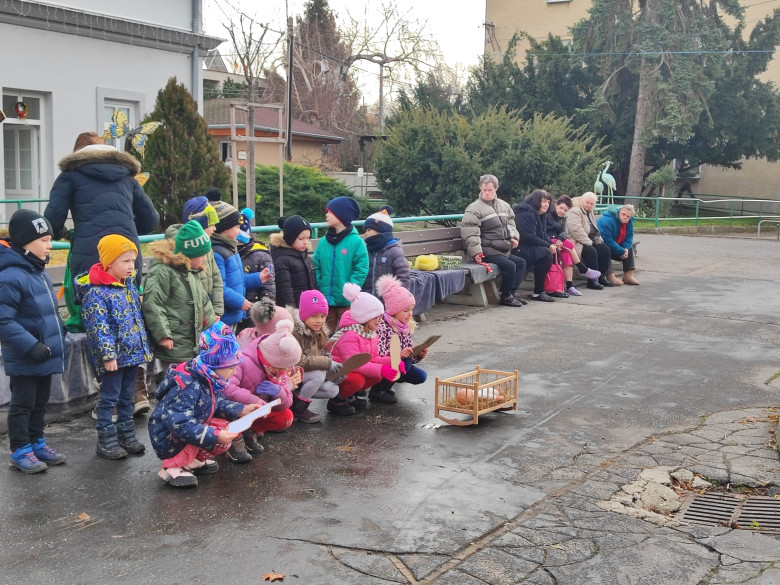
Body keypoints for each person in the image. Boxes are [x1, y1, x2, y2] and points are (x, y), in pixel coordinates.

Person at [44, 132, 159, 331]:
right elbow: (151, 220)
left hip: (90, 257)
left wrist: (67, 232)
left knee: (93, 324)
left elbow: (51, 223)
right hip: (127, 255)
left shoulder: (70, 175)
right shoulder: (127, 176)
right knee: (126, 321)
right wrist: (125, 230)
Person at [148, 321, 261, 488]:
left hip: (186, 427)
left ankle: (191, 461)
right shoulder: (188, 385)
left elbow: (216, 402)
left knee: (222, 427)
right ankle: (171, 467)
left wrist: (240, 409)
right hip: (167, 437)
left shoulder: (209, 377)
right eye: (230, 367)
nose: (234, 372)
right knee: (217, 434)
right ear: (215, 364)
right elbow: (180, 424)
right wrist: (214, 435)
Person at [0, 210, 67, 473]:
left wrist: (59, 332)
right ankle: (20, 450)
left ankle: (37, 442)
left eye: (50, 239)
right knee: (23, 405)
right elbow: (4, 321)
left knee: (40, 404)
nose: (49, 246)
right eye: (43, 240)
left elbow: (47, 309)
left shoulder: (36, 270)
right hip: (27, 355)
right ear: (25, 242)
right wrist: (31, 346)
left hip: (45, 353)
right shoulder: (10, 275)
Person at [78, 235, 152, 460]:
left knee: (126, 395)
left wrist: (142, 346)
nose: (131, 267)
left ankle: (125, 434)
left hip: (131, 354)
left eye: (133, 261)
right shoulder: (96, 293)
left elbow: (136, 319)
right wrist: (108, 355)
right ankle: (106, 439)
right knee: (109, 397)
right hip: (113, 358)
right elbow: (99, 327)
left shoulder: (127, 285)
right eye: (125, 261)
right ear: (109, 263)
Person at [142, 220, 217, 378]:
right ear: (189, 254)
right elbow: (153, 303)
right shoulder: (163, 271)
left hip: (191, 343)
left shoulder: (191, 272)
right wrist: (163, 335)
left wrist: (213, 327)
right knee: (175, 381)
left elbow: (203, 303)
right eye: (201, 255)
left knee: (189, 381)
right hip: (174, 343)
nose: (204, 259)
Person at [223, 320, 300, 462]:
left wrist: (279, 392)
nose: (284, 371)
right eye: (281, 367)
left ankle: (249, 430)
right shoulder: (242, 361)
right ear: (269, 358)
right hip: (236, 408)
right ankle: (232, 440)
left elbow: (287, 401)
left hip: (258, 410)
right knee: (230, 412)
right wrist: (254, 400)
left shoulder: (279, 369)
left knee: (286, 416)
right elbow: (228, 389)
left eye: (286, 367)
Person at [327, 282, 401, 416]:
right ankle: (337, 400)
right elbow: (354, 364)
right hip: (339, 373)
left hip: (351, 370)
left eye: (380, 316)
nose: (380, 320)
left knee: (376, 376)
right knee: (357, 380)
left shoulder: (370, 333)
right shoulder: (350, 335)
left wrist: (393, 361)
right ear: (364, 316)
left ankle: (351, 395)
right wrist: (381, 369)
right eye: (376, 316)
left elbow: (374, 358)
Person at [460, 174, 526, 307]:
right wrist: (476, 253)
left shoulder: (504, 205)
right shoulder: (474, 209)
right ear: (480, 188)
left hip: (502, 249)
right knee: (510, 266)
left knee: (521, 263)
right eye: (484, 190)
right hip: (486, 251)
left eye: (490, 190)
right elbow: (470, 233)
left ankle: (512, 292)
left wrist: (513, 237)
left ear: (496, 189)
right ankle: (505, 296)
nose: (487, 193)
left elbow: (511, 223)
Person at [209, 201, 272, 328]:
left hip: (234, 315)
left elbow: (239, 279)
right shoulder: (218, 253)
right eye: (237, 227)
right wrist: (240, 302)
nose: (239, 231)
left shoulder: (231, 248)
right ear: (225, 228)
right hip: (225, 318)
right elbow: (219, 287)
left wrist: (257, 278)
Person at [312, 196, 369, 332]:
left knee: (348, 333)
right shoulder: (324, 242)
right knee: (324, 334)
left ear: (341, 215)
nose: (326, 215)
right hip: (326, 300)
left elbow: (361, 268)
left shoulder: (356, 242)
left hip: (346, 302)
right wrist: (320, 283)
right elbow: (316, 265)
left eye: (330, 212)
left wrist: (351, 289)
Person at [371, 275, 427, 404]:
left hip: (400, 363)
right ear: (394, 310)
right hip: (382, 364)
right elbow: (379, 353)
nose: (410, 314)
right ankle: (378, 390)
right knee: (405, 362)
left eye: (411, 310)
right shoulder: (383, 326)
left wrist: (418, 355)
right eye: (406, 310)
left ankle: (387, 386)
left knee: (420, 376)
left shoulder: (405, 326)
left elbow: (409, 352)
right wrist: (399, 355)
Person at [290, 290, 342, 423]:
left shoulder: (319, 331)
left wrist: (333, 374)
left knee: (333, 390)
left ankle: (296, 399)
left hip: (306, 376)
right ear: (304, 315)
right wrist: (326, 363)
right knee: (318, 374)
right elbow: (298, 361)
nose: (319, 321)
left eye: (323, 316)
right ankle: (299, 409)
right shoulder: (296, 333)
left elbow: (321, 355)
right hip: (292, 375)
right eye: (314, 316)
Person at [544, 195, 601, 296]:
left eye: (565, 210)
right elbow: (543, 232)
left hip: (557, 242)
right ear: (556, 205)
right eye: (561, 208)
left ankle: (570, 286)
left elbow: (563, 232)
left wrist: (560, 239)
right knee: (568, 243)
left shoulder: (562, 218)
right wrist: (557, 240)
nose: (562, 211)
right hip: (546, 241)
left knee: (566, 255)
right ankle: (582, 268)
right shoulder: (547, 214)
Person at [513, 189, 558, 302]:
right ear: (535, 201)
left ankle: (549, 289)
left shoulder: (539, 214)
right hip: (517, 248)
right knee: (546, 253)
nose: (546, 204)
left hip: (527, 246)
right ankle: (539, 292)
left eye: (548, 202)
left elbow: (542, 235)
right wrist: (548, 246)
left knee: (553, 251)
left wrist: (551, 244)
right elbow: (527, 237)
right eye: (543, 201)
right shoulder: (525, 213)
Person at [565, 192, 615, 290]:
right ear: (582, 200)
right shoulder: (575, 210)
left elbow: (594, 228)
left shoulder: (589, 211)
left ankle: (601, 277)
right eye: (587, 202)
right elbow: (576, 231)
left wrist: (597, 240)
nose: (589, 205)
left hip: (588, 239)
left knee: (605, 249)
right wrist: (589, 242)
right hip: (575, 241)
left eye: (592, 204)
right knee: (591, 251)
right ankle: (592, 281)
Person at [362, 205, 410, 295]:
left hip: (388, 299)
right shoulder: (367, 251)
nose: (365, 233)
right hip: (368, 298)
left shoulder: (394, 251)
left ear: (381, 230)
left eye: (369, 230)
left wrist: (398, 295)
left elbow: (403, 276)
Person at [270, 215, 317, 308]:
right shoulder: (282, 259)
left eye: (308, 238)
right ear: (290, 238)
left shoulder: (306, 258)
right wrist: (291, 310)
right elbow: (284, 290)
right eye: (301, 238)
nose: (305, 242)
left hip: (308, 307)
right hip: (294, 310)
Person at [237, 207, 276, 311]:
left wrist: (267, 311)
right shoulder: (229, 253)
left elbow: (269, 286)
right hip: (238, 309)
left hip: (254, 312)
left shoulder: (262, 256)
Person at [597, 204, 640, 285]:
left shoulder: (629, 223)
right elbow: (607, 240)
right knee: (605, 249)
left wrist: (625, 248)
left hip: (617, 246)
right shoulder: (607, 220)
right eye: (623, 214)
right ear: (619, 212)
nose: (625, 217)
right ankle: (610, 276)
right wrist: (621, 251)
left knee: (629, 248)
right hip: (600, 245)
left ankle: (628, 275)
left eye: (628, 216)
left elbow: (629, 237)